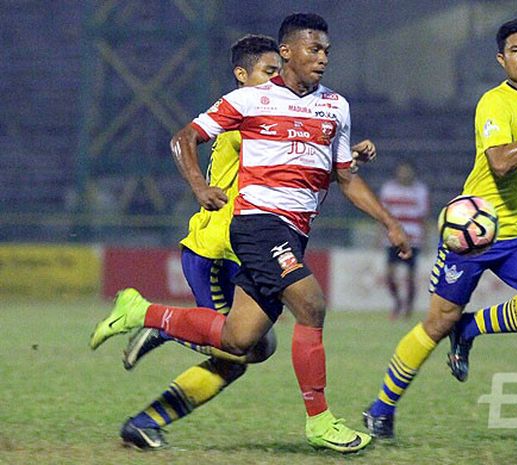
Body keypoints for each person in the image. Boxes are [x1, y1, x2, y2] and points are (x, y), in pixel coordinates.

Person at [90, 12, 411, 453]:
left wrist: (389, 220)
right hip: (256, 226)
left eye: (326, 52)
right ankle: (319, 421)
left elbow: (343, 176)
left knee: (241, 341)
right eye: (313, 49)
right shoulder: (250, 102)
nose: (322, 58)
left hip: (293, 232)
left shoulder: (336, 106)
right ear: (286, 51)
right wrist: (200, 187)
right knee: (311, 306)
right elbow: (185, 136)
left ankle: (143, 315)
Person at [362, 18, 517, 439]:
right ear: (502, 60)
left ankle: (470, 328)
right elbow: (500, 164)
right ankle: (380, 410)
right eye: (516, 50)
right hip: (472, 234)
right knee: (434, 325)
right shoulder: (494, 103)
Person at [115, 33, 282, 451]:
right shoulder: (247, 116)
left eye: (279, 71)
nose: (276, 80)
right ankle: (157, 323)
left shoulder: (271, 112)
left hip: (241, 251)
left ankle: (144, 419)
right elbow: (185, 138)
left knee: (254, 348)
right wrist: (199, 186)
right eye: (268, 71)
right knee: (235, 348)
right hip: (214, 248)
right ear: (241, 76)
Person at [379, 161, 430, 319]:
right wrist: (379, 235)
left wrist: (426, 239)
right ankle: (397, 302)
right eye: (402, 171)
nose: (404, 174)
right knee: (389, 275)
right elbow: (381, 214)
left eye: (407, 171)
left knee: (410, 276)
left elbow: (424, 217)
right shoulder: (388, 189)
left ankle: (408, 307)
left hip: (413, 238)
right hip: (393, 238)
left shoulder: (420, 190)